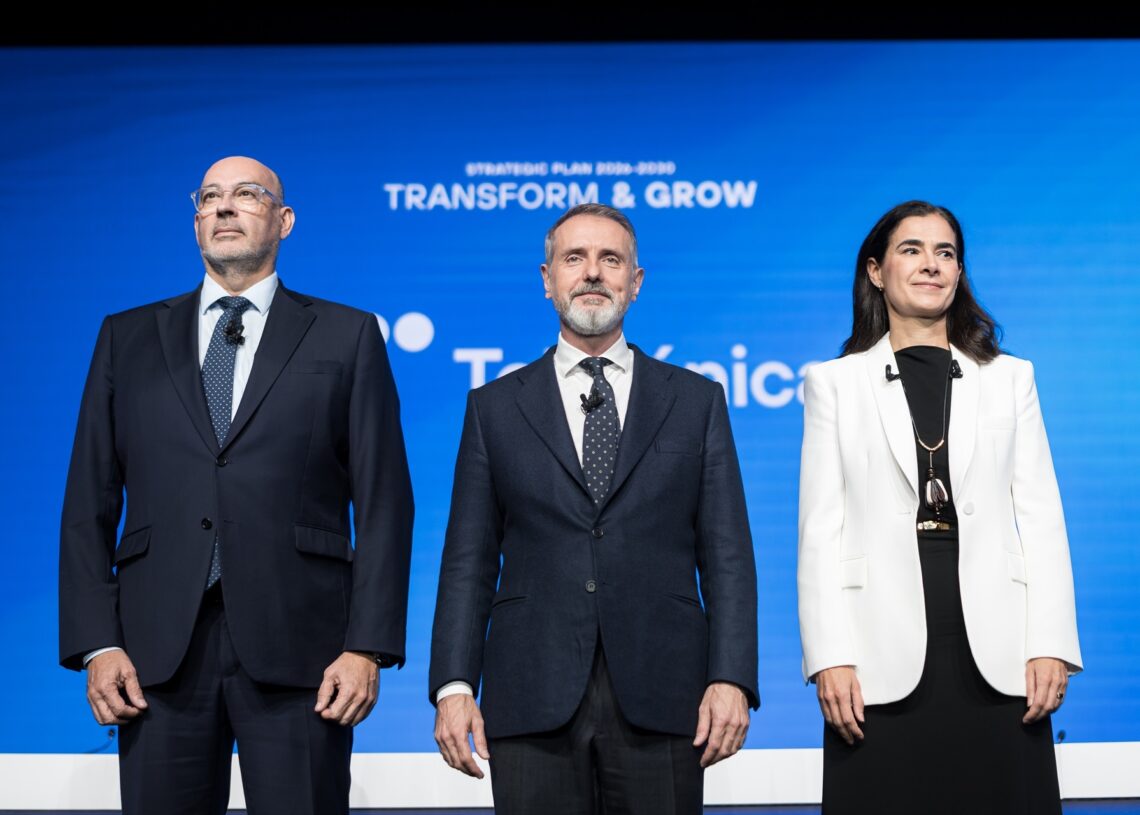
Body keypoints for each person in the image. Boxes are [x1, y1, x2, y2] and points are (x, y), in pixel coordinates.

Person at [58, 156, 414, 815]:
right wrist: (97, 641)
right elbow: (88, 501)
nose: (224, 207)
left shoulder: (346, 334)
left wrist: (367, 645)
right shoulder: (127, 337)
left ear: (284, 220)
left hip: (305, 652)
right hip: (154, 656)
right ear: (196, 221)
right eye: (210, 197)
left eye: (247, 194)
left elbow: (386, 502)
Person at [429, 203, 759, 813]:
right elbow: (466, 563)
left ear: (635, 282)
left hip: (666, 693)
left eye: (611, 259)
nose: (592, 273)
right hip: (532, 693)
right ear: (547, 277)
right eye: (574, 258)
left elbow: (729, 555)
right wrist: (453, 685)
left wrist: (732, 677)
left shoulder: (696, 401)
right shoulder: (494, 408)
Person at [797, 200, 1082, 814]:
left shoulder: (1011, 379)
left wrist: (1051, 641)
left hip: (998, 644)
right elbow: (819, 532)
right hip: (877, 649)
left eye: (945, 253)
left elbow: (1041, 515)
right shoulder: (836, 384)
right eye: (912, 250)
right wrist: (829, 657)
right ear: (875, 271)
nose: (932, 265)